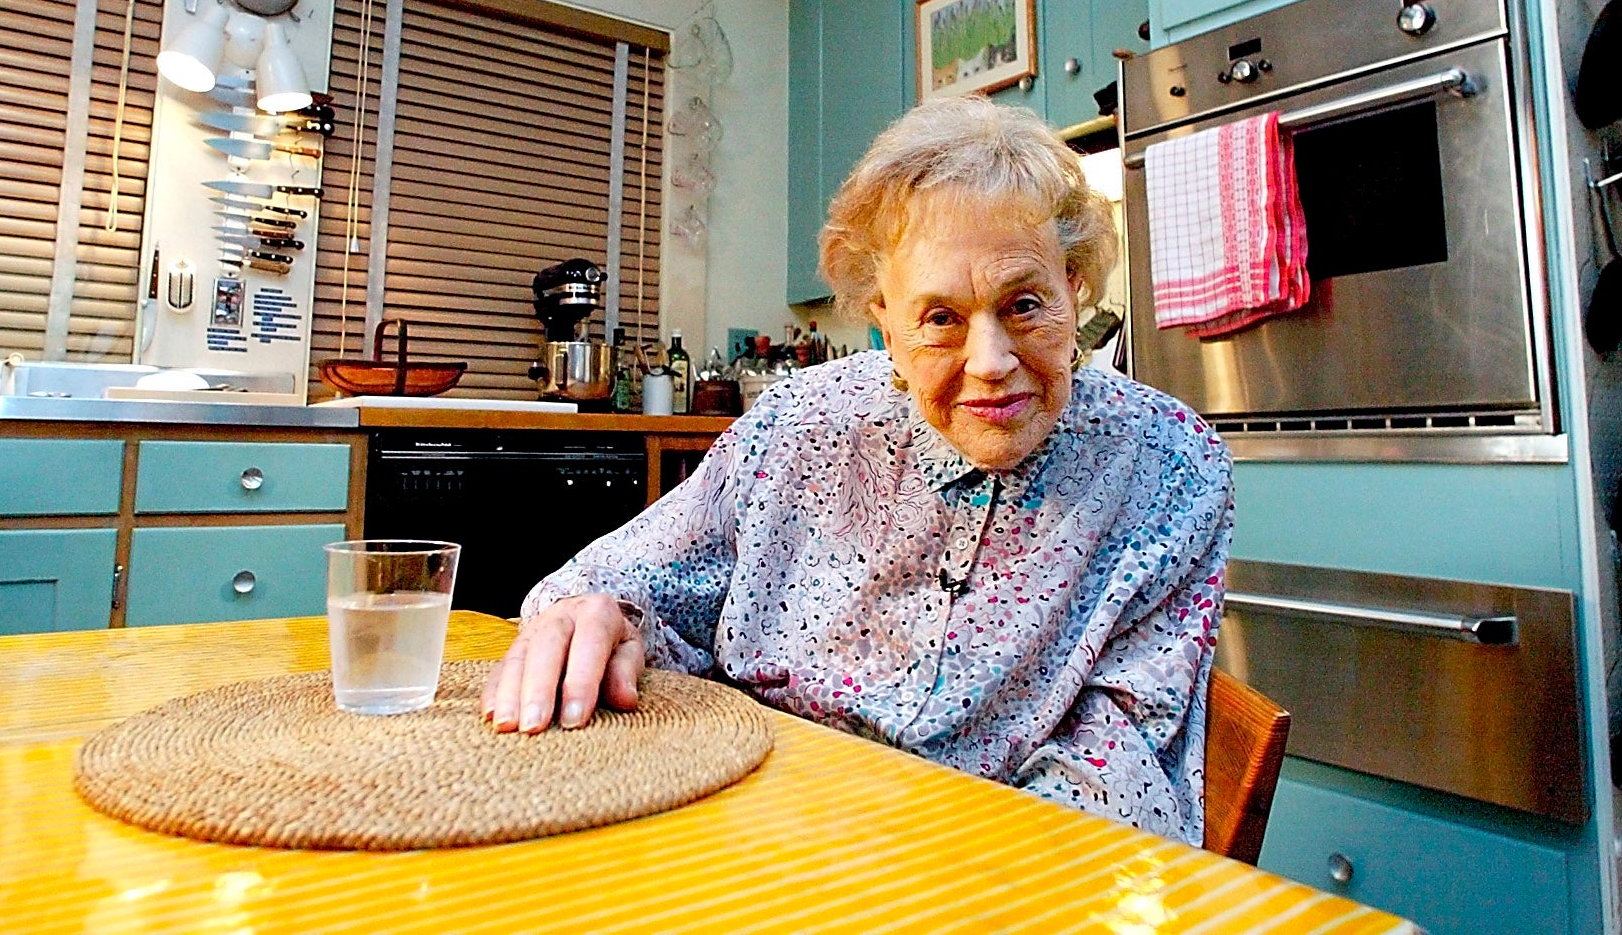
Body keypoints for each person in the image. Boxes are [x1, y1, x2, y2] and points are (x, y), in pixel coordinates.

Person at [481, 97, 1234, 844]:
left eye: (1026, 303)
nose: (992, 363)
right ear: (882, 314)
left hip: (987, 877)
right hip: (742, 832)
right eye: (940, 319)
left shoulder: (1167, 465)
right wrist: (596, 611)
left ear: (1075, 286)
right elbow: (631, 582)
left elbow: (1114, 781)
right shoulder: (800, 422)